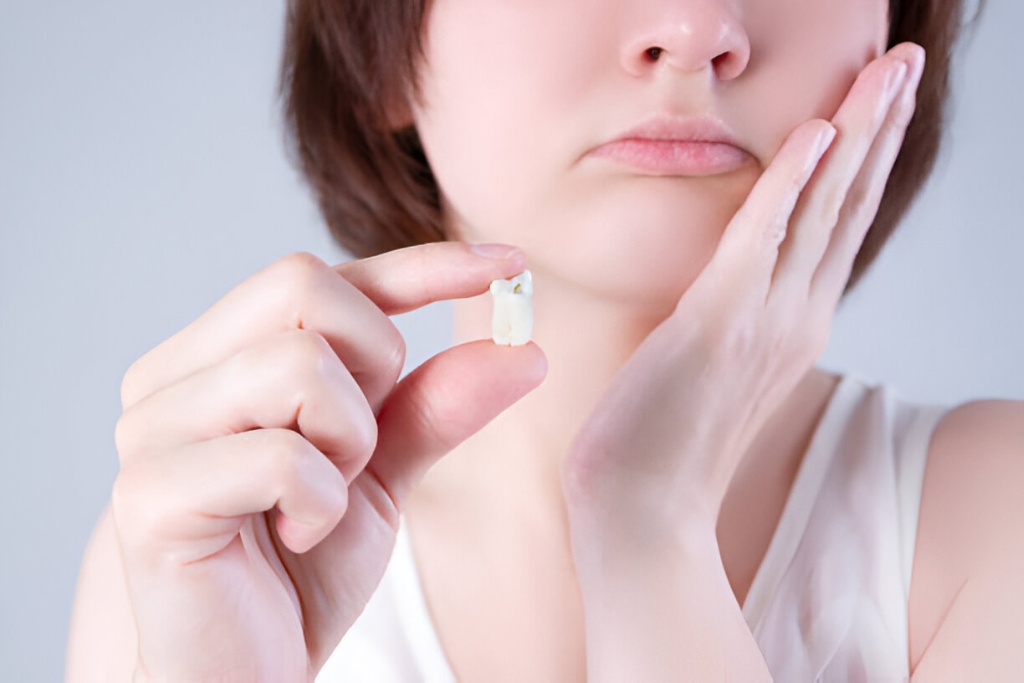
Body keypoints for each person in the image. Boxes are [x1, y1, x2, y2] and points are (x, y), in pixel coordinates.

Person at [67, 0, 1023, 680]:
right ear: (383, 51)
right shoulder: (211, 555)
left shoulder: (993, 525)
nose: (696, 30)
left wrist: (648, 524)